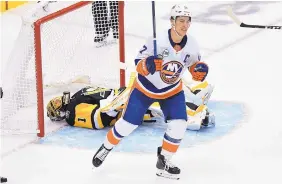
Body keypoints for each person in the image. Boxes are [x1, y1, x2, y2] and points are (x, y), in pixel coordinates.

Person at [91, 4, 210, 180]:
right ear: (172, 21)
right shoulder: (156, 40)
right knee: (127, 125)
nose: (185, 25)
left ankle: (164, 161)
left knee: (179, 125)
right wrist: (147, 65)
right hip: (145, 89)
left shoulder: (192, 44)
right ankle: (106, 147)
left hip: (172, 91)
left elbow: (193, 66)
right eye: (181, 21)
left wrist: (198, 71)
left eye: (187, 21)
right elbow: (138, 62)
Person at [46, 80, 215, 131]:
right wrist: (116, 109)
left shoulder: (77, 94)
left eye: (55, 100)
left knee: (157, 84)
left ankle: (194, 96)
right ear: (59, 112)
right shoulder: (72, 113)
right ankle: (194, 118)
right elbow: (97, 120)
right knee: (155, 103)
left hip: (120, 94)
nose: (58, 101)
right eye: (55, 105)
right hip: (121, 107)